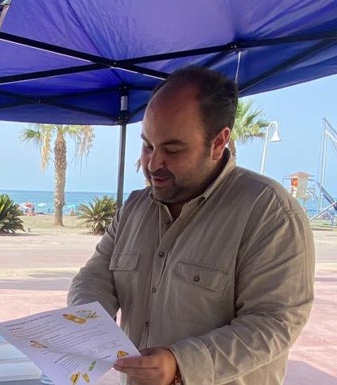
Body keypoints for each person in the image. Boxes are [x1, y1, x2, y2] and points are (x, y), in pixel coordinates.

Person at [67, 66, 314, 385]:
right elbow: (95, 275)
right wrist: (88, 321)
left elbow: (274, 324)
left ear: (218, 142)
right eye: (147, 146)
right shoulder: (135, 207)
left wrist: (181, 363)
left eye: (172, 149)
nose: (153, 164)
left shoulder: (269, 212)